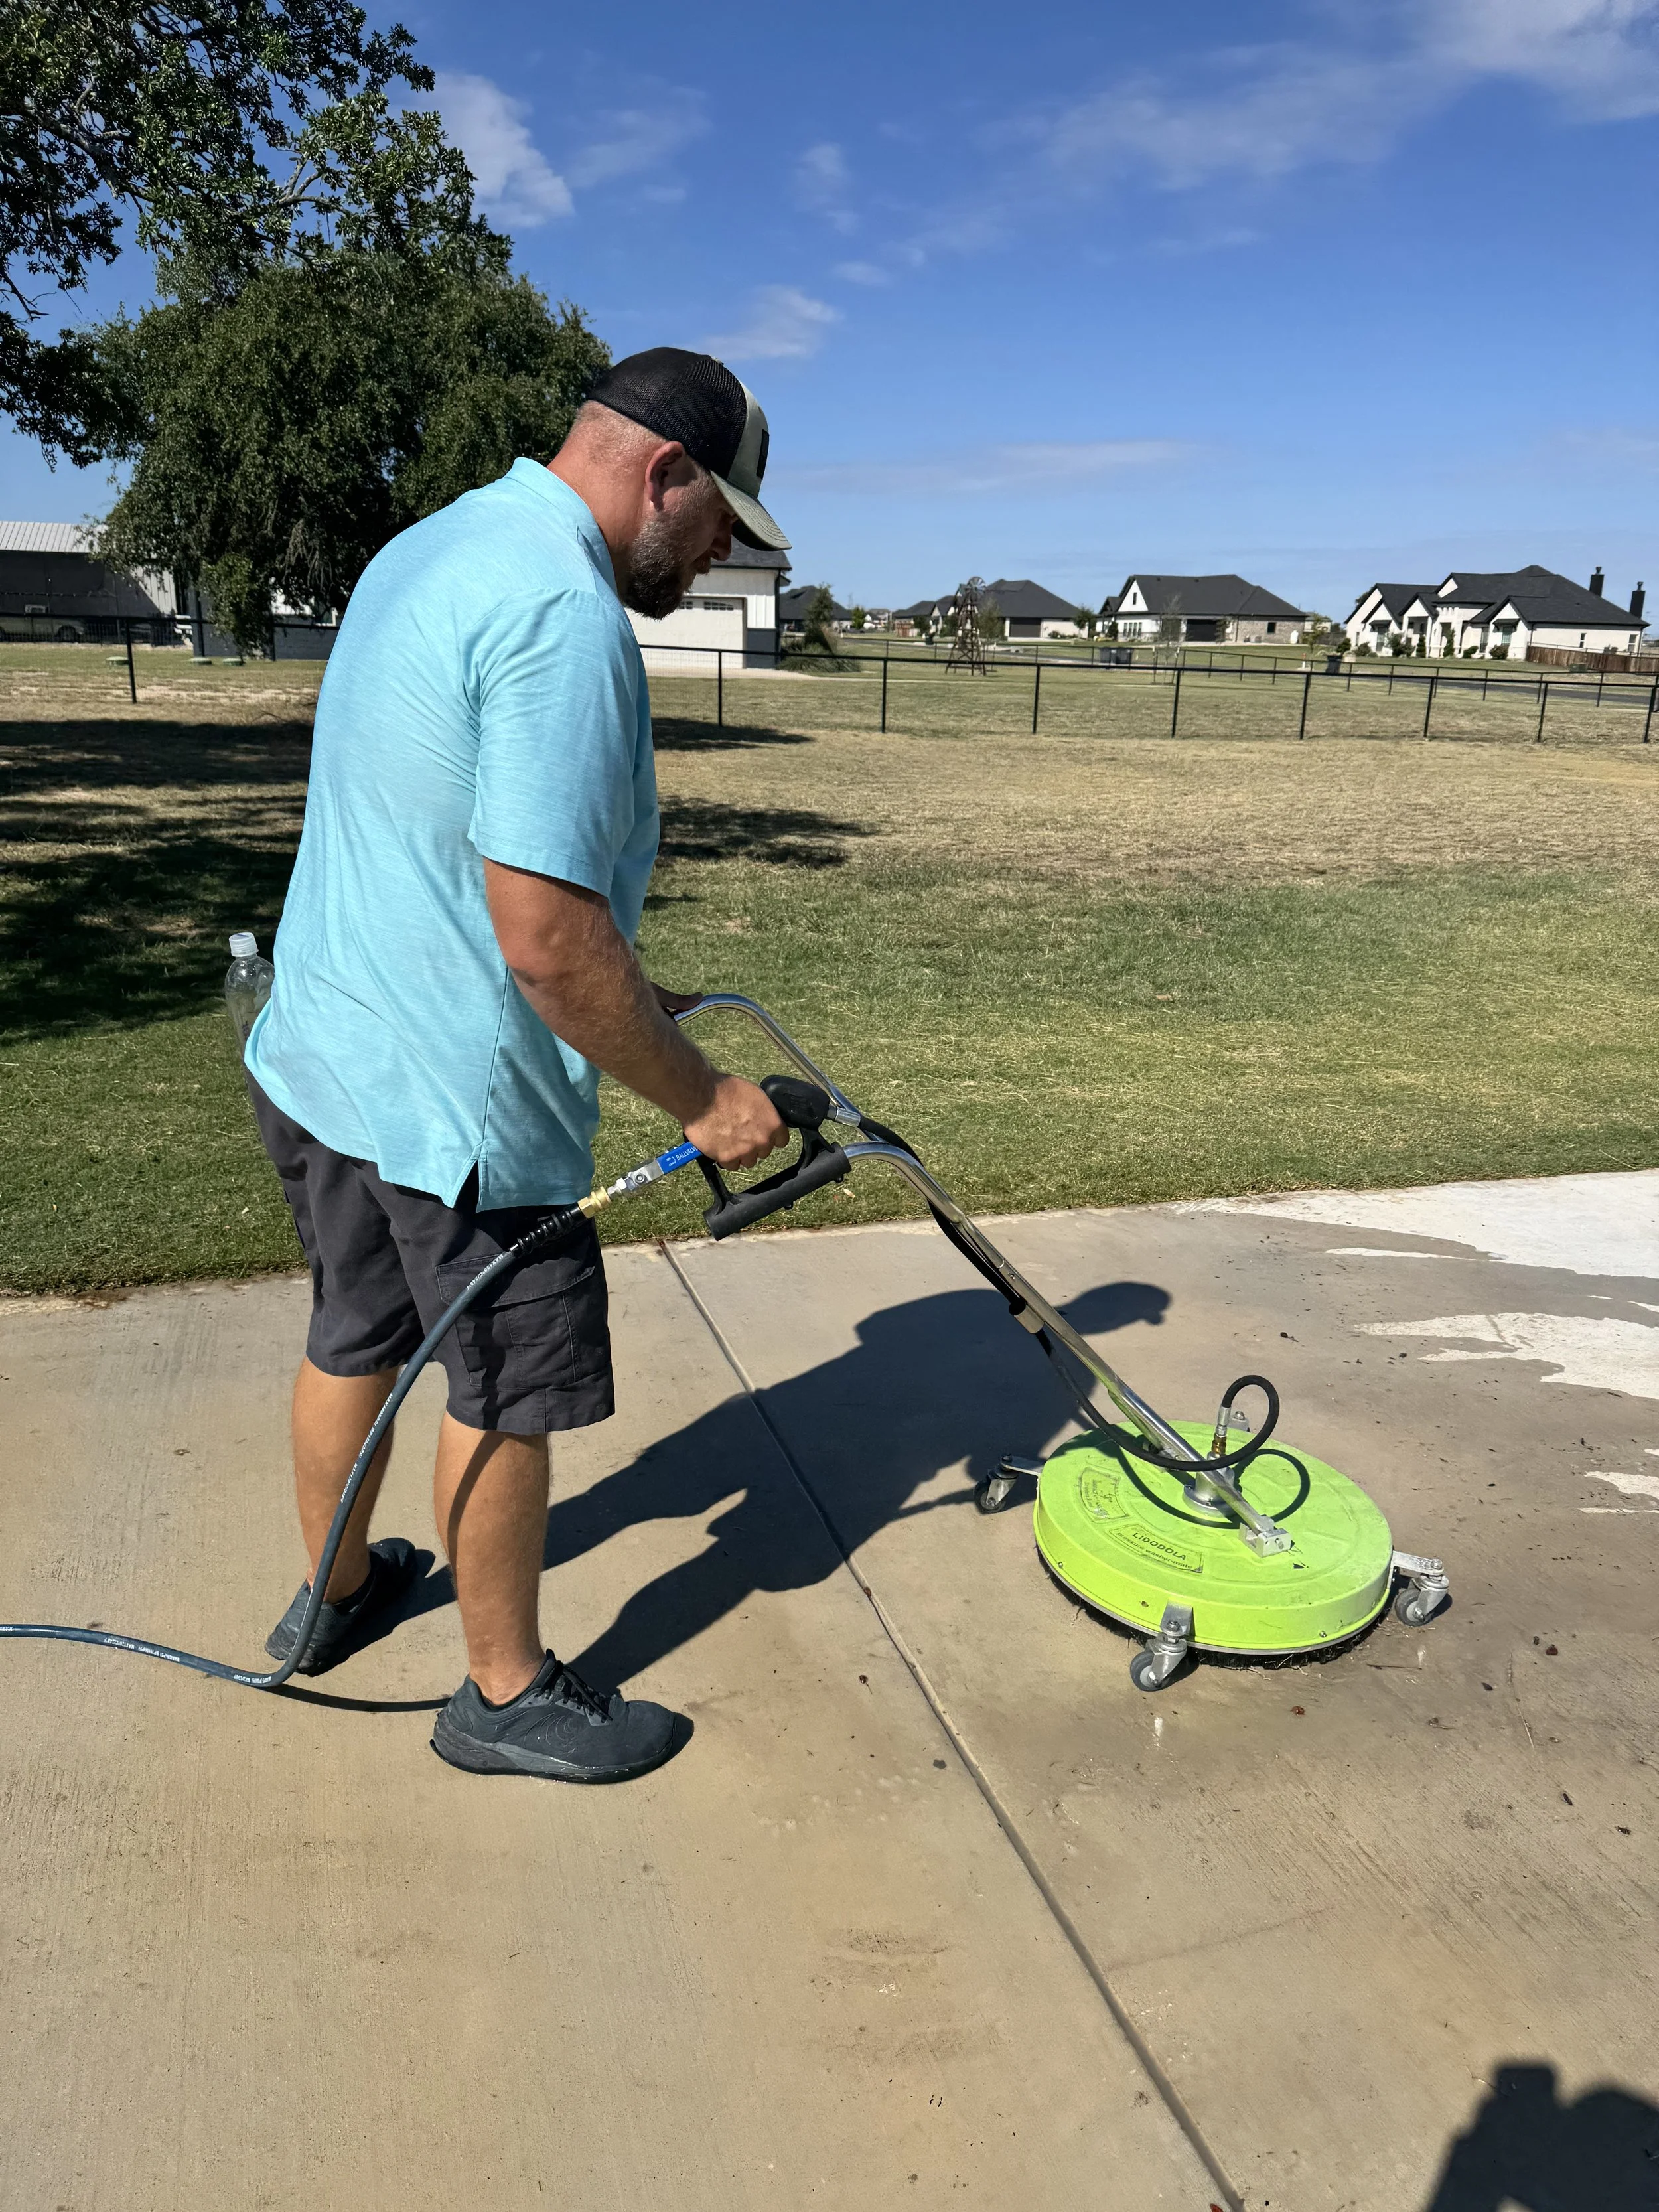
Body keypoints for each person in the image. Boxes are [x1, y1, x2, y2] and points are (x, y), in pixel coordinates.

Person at [243, 348, 792, 1783]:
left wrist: (637, 991)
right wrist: (706, 1098)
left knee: (352, 1331)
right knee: (504, 1385)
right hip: (457, 1107)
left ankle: (339, 1593)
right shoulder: (563, 613)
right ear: (661, 471)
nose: (720, 549)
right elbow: (542, 938)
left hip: (327, 1047)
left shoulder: (436, 542)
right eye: (719, 515)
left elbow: (452, 833)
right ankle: (501, 1691)